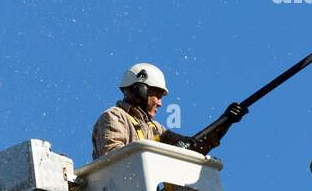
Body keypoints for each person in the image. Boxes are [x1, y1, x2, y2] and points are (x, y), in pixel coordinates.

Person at [91, 63, 247, 160]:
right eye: (157, 95)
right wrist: (163, 155)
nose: (160, 103)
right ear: (140, 90)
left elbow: (193, 148)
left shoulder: (155, 129)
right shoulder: (114, 117)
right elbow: (112, 159)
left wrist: (225, 121)